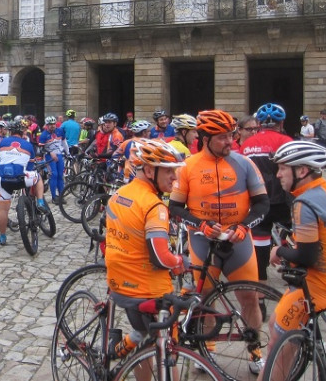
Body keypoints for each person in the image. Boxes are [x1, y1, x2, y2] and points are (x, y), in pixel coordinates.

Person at [169, 109, 270, 374]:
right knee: (204, 298)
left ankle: (254, 349)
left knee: (250, 297)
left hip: (238, 240)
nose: (230, 142)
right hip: (203, 240)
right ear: (205, 138)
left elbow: (262, 203)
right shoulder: (188, 167)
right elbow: (175, 207)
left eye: (231, 136)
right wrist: (199, 224)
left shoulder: (244, 163)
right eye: (223, 137)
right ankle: (207, 348)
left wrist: (244, 226)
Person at [105, 139, 188, 363]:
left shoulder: (118, 195)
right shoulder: (154, 206)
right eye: (169, 171)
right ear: (150, 170)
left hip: (119, 283)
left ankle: (124, 348)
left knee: (143, 340)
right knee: (167, 349)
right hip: (148, 290)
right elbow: (161, 257)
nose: (175, 178)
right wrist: (181, 260)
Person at [260, 140, 326, 381]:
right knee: (274, 322)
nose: (279, 174)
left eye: (283, 168)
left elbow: (306, 256)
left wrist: (278, 253)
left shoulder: (304, 203)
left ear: (301, 171)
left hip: (319, 288)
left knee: (277, 344)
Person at [241, 103, 292, 283]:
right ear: (281, 122)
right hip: (282, 199)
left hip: (258, 201)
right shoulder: (286, 141)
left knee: (260, 238)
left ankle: (260, 283)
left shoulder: (246, 145)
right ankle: (295, 267)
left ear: (259, 123)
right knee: (296, 232)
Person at [0, 120, 48, 246]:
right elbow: (30, 166)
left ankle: (2, 237)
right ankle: (40, 201)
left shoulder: (2, 142)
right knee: (38, 177)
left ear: (11, 131)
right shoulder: (28, 145)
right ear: (22, 132)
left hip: (3, 179)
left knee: (3, 209)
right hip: (20, 178)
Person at [39, 116, 69, 204]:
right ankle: (54, 196)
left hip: (59, 155)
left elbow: (64, 142)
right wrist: (50, 152)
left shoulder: (60, 131)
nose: (52, 126)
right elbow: (41, 149)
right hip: (50, 158)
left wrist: (68, 153)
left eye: (53, 124)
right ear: (46, 125)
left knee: (60, 175)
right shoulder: (43, 135)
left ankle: (61, 195)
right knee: (54, 175)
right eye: (50, 124)